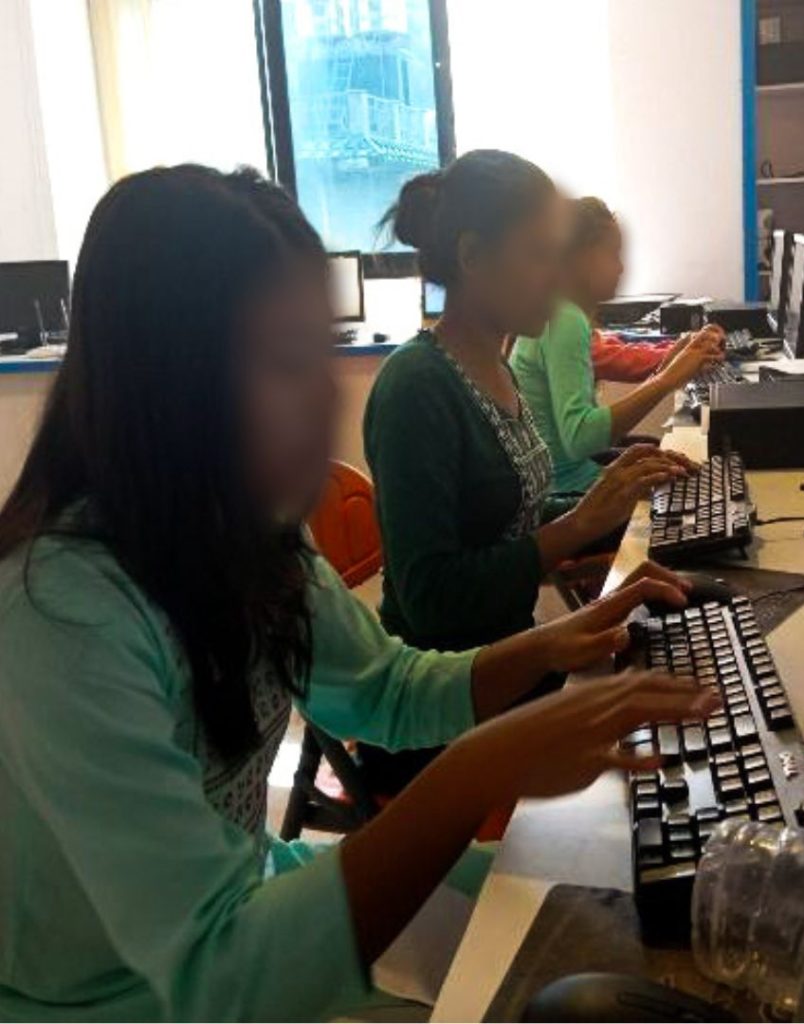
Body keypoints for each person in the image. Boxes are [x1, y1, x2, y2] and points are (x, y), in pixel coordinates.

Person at [0, 165, 718, 1021]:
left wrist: (555, 644)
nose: (320, 394)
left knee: (622, 914)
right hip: (120, 997)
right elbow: (219, 980)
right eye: (282, 360)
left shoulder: (241, 518)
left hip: (247, 906)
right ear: (164, 372)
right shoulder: (60, 612)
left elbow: (380, 687)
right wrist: (484, 764)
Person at [365, 151, 689, 659]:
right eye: (540, 255)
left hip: (509, 654)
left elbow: (512, 519)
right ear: (472, 255)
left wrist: (615, 501)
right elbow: (429, 599)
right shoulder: (416, 386)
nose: (559, 279)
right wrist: (578, 526)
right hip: (446, 691)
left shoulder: (497, 365)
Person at [510, 196, 725, 493]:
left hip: (571, 477)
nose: (621, 268)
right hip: (564, 491)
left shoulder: (561, 312)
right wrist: (666, 380)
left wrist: (670, 363)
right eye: (613, 254)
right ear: (581, 258)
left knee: (669, 463)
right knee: (692, 487)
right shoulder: (565, 320)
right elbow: (581, 438)